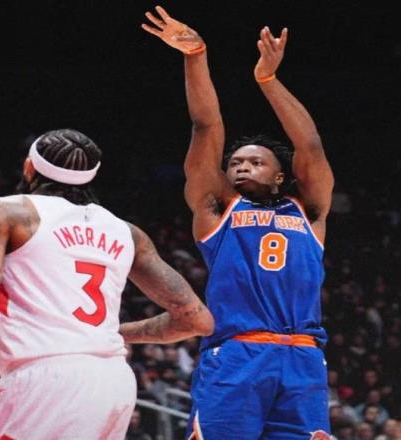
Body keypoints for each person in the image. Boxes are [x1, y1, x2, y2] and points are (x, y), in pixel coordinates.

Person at [0, 128, 214, 440]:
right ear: (90, 177)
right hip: (114, 381)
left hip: (46, 378)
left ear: (29, 167)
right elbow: (197, 320)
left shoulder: (4, 212)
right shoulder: (126, 232)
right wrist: (116, 333)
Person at [143, 6, 334, 439]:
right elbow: (205, 126)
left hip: (304, 358)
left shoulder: (308, 210)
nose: (241, 166)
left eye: (255, 161)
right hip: (237, 353)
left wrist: (268, 79)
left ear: (281, 175)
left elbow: (311, 145)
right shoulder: (218, 208)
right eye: (235, 162)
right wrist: (195, 56)